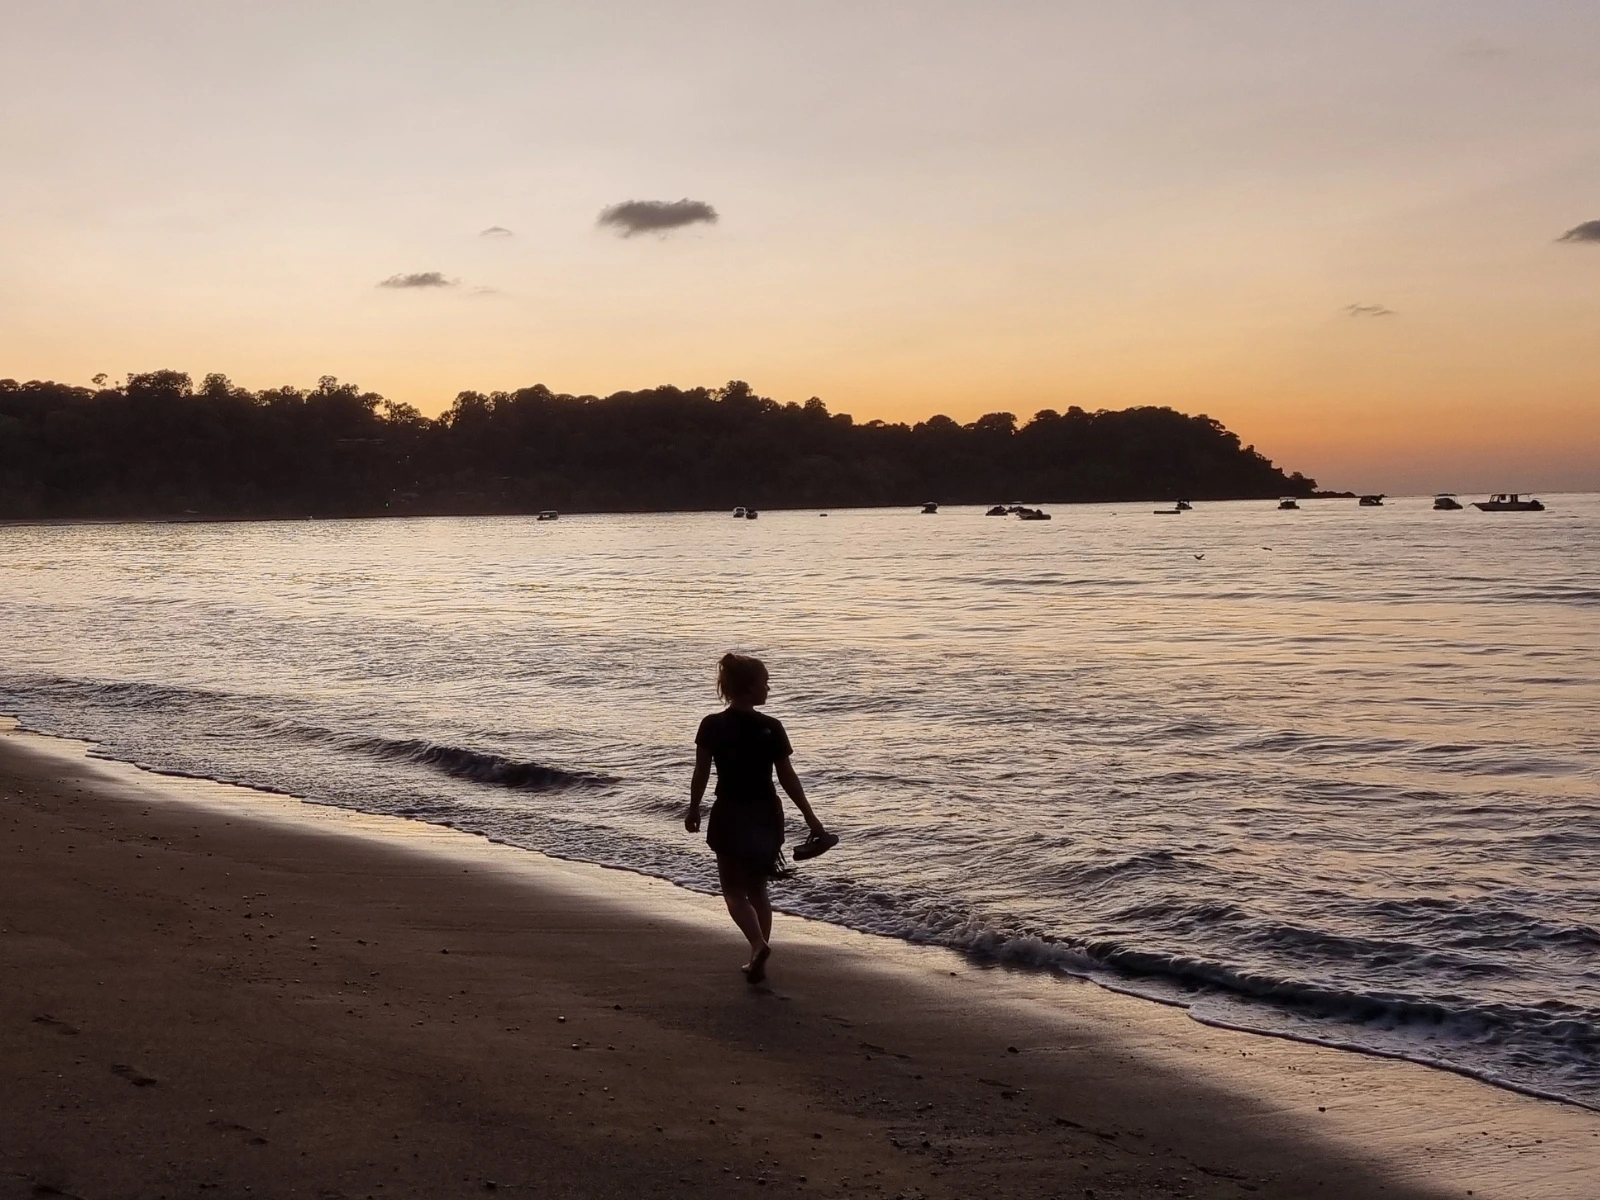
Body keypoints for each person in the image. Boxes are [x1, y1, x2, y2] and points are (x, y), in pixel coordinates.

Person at [686, 652, 835, 983]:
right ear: (750, 689)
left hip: (729, 812)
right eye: (764, 683)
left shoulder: (712, 725)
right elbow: (788, 779)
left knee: (733, 893)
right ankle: (758, 954)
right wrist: (812, 820)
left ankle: (757, 946)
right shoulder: (771, 727)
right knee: (758, 892)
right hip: (766, 813)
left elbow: (701, 773)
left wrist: (694, 807)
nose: (768, 688)